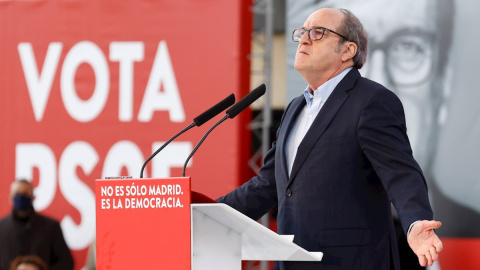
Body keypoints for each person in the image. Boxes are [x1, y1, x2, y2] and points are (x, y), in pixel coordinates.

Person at [217, 8, 442, 270]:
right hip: (293, 262)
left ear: (348, 50)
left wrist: (416, 221)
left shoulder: (371, 101)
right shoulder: (295, 108)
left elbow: (401, 173)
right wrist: (205, 214)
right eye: (302, 32)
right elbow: (267, 185)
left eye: (317, 32)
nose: (303, 39)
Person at [0, 179, 74, 270]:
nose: (21, 197)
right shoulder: (1, 228)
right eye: (17, 194)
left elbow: (66, 262)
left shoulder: (51, 227)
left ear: (33, 197)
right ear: (10, 197)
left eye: (25, 194)